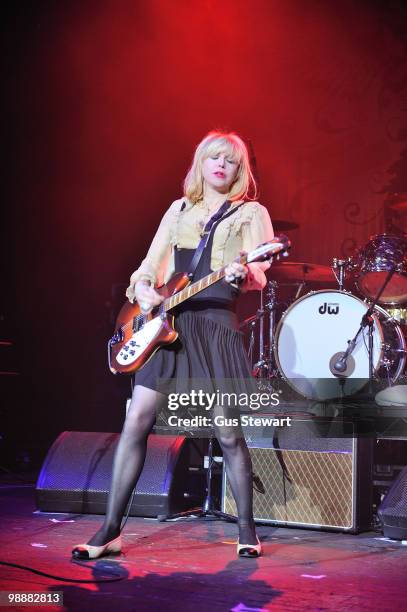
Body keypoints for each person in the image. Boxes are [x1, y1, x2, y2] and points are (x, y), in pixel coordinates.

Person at [72, 130, 274, 560]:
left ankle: (247, 530)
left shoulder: (250, 213)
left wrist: (245, 275)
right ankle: (109, 531)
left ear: (240, 171)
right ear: (200, 164)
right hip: (168, 325)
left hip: (216, 327)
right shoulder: (178, 209)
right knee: (137, 420)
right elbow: (148, 268)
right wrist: (143, 290)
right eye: (213, 158)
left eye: (231, 161)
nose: (221, 165)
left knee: (227, 432)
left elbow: (260, 270)